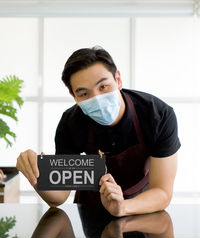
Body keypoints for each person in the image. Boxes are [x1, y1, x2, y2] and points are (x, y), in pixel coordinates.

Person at [16, 46, 181, 217]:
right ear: (74, 96)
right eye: (84, 93)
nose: (97, 99)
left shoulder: (158, 115)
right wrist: (36, 175)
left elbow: (162, 191)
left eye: (103, 87)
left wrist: (122, 207)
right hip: (91, 208)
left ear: (118, 79)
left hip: (143, 204)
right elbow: (59, 196)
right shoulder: (71, 123)